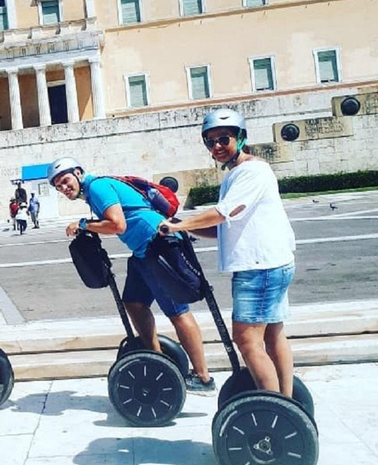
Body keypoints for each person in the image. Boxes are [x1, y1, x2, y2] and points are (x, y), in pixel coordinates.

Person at [158, 108, 296, 398]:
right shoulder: (239, 173)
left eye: (224, 139)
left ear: (241, 138)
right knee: (272, 336)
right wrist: (184, 228)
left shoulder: (251, 170)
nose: (217, 146)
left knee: (246, 340)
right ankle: (287, 402)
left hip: (259, 267)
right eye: (210, 142)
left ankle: (275, 410)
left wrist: (179, 224)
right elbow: (225, 227)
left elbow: (224, 213)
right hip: (270, 263)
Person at [48, 157, 216, 395]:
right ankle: (157, 359)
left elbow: (118, 225)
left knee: (178, 312)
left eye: (65, 181)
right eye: (58, 187)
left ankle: (203, 378)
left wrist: (84, 224)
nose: (64, 188)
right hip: (142, 252)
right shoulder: (95, 189)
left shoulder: (97, 186)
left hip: (158, 245)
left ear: (77, 172)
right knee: (134, 304)